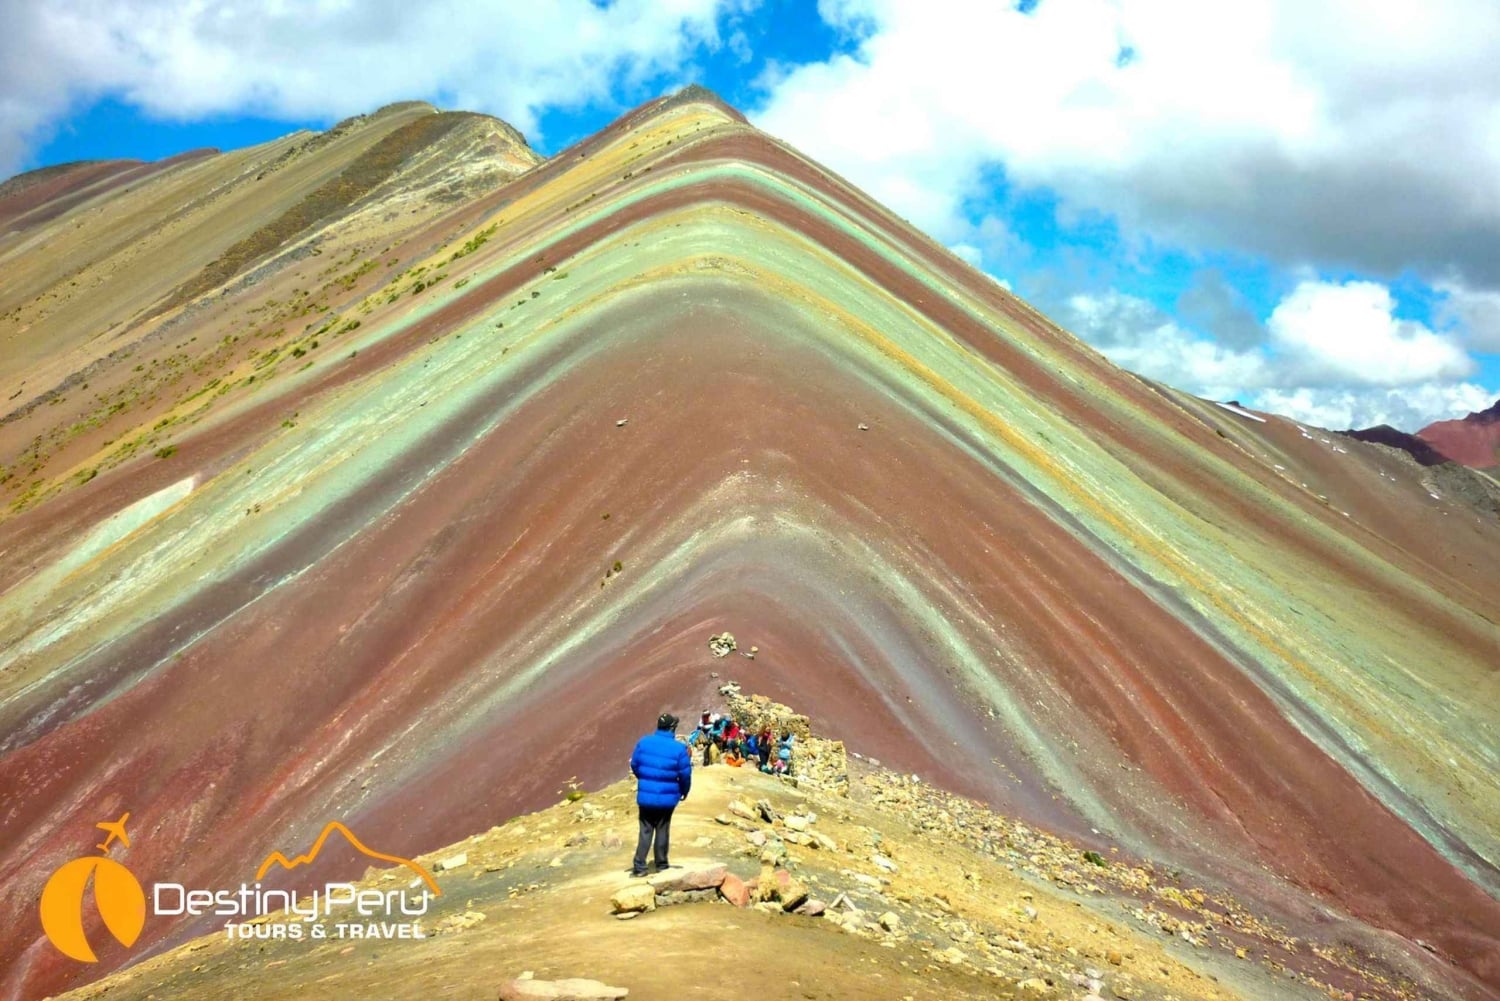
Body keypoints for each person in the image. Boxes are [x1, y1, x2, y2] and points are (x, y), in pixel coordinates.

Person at [629, 712, 692, 877]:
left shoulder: (644, 742)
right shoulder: (679, 749)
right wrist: (684, 791)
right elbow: (685, 774)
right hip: (667, 798)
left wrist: (645, 779)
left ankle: (639, 867)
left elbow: (635, 764)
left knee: (645, 830)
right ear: (672, 728)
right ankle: (661, 864)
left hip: (646, 797)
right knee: (663, 829)